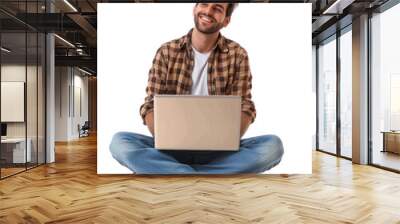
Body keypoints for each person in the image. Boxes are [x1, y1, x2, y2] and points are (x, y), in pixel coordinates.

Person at [110, 3, 284, 174]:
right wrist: (168, 138)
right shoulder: (166, 51)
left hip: (219, 151)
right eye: (204, 4)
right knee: (120, 142)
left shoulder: (238, 54)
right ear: (195, 8)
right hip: (171, 150)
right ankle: (208, 176)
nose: (208, 11)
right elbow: (150, 105)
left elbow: (245, 107)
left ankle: (176, 173)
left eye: (217, 8)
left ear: (226, 20)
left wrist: (224, 141)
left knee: (272, 146)